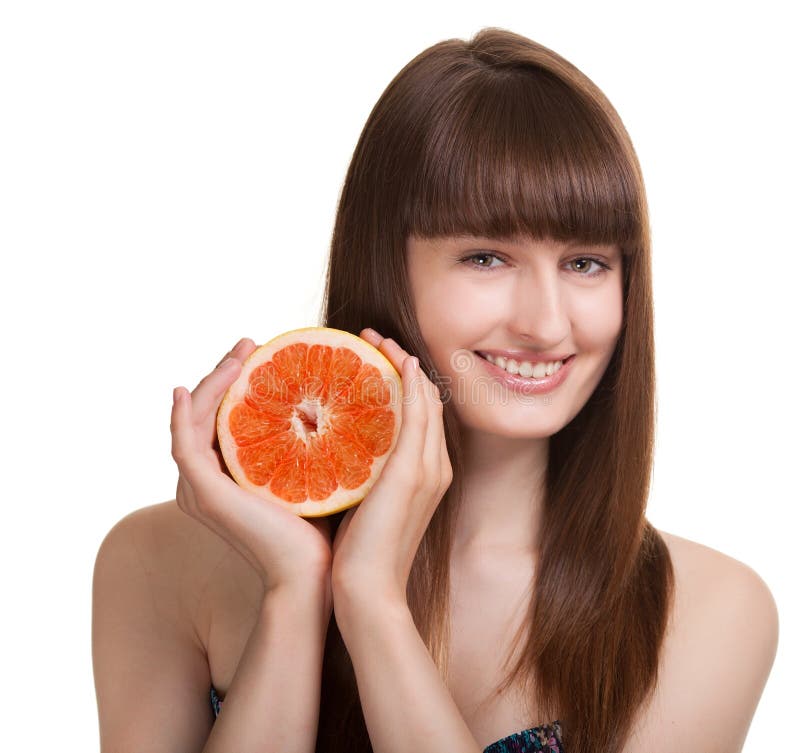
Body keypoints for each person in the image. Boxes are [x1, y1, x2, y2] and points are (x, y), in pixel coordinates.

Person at [91, 27, 779, 753]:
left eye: (585, 263)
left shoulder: (710, 611)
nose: (546, 323)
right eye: (486, 257)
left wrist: (373, 603)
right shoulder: (157, 561)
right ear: (387, 264)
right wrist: (295, 589)